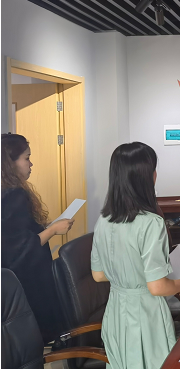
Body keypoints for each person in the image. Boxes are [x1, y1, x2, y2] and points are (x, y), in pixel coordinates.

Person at [90, 142, 180, 369]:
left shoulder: (103, 220)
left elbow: (98, 275)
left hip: (115, 313)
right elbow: (157, 287)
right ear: (146, 177)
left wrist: (129, 276)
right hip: (146, 315)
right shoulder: (151, 223)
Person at [1, 133, 74, 343]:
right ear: (11, 163)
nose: (31, 164)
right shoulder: (14, 196)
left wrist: (49, 228)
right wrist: (53, 230)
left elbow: (18, 235)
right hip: (27, 280)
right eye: (27, 158)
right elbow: (20, 249)